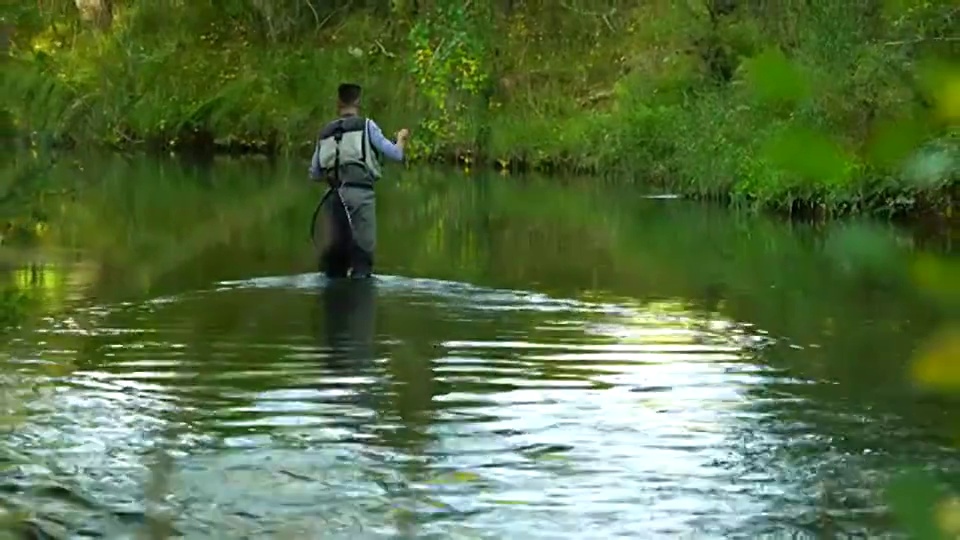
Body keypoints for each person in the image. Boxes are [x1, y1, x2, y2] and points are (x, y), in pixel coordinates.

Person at [309, 83, 409, 279]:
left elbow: (314, 173)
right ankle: (360, 298)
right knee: (362, 257)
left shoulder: (325, 132)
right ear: (358, 102)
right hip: (360, 196)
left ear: (338, 103)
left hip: (333, 197)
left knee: (336, 259)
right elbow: (396, 154)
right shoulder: (367, 126)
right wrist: (401, 139)